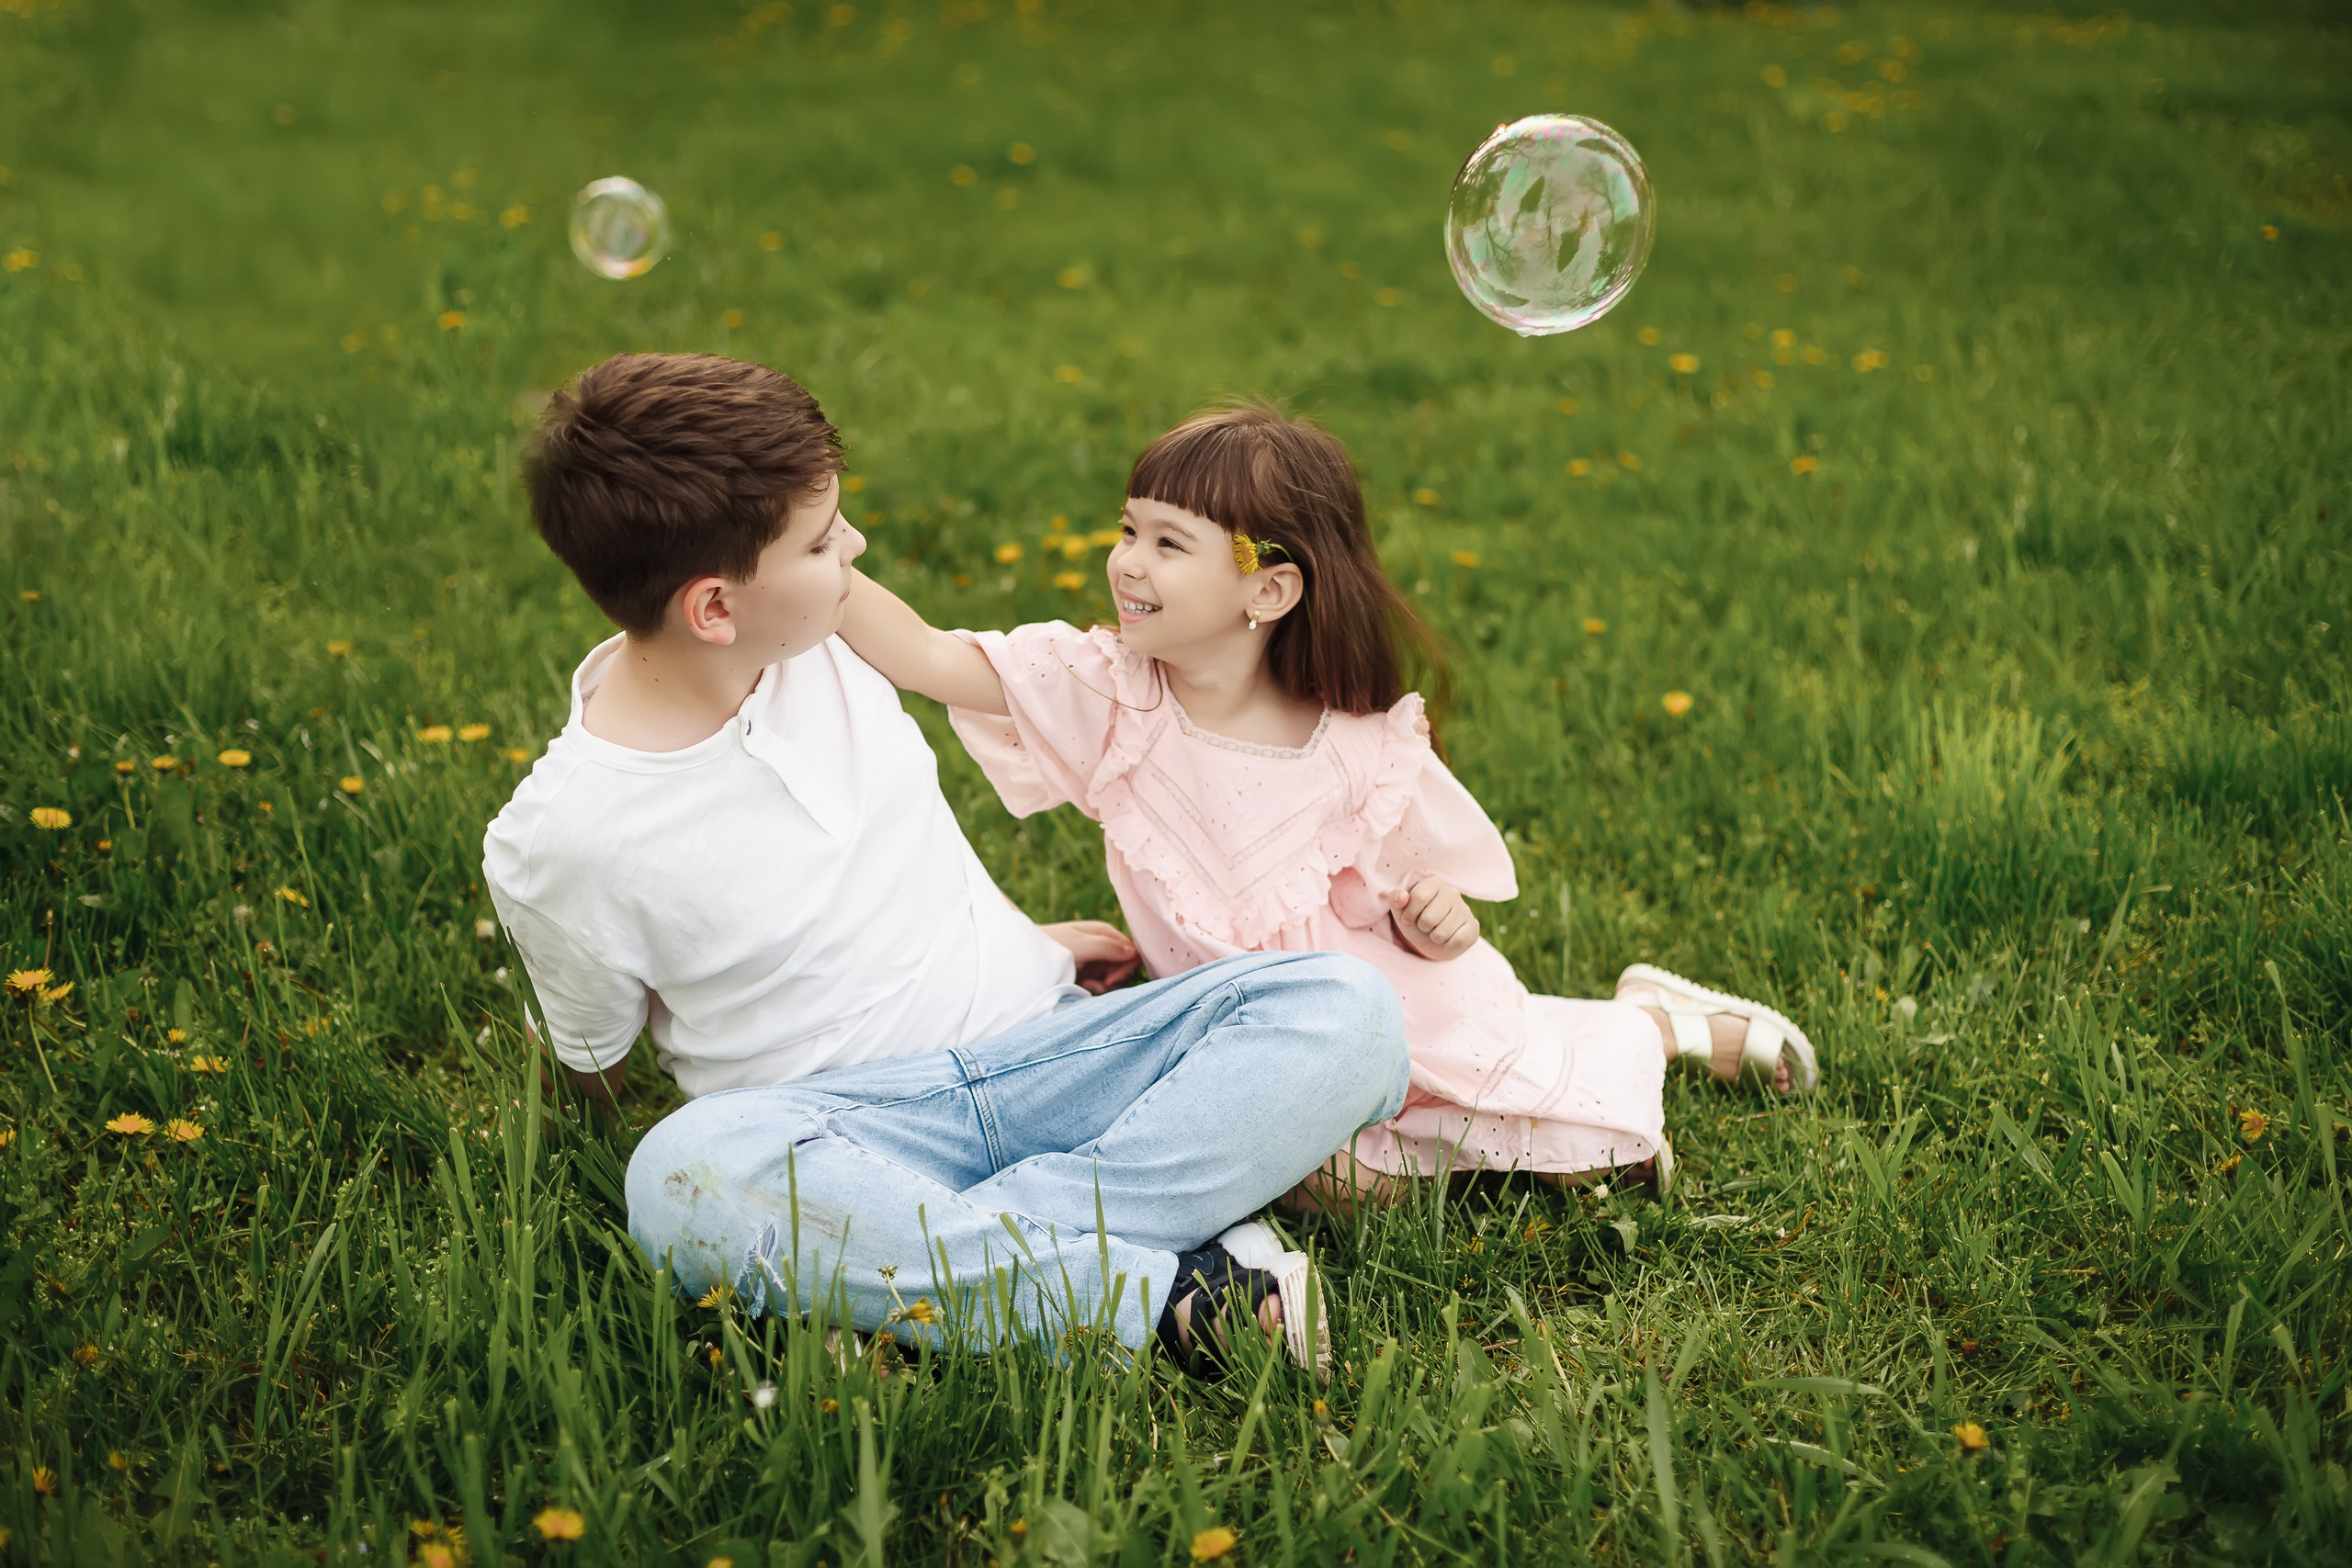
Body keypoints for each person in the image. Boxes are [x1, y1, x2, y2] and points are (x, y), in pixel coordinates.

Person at [484, 355, 1411, 1380]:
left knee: (1346, 1008)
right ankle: (1163, 1287)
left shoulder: (816, 642)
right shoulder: (567, 841)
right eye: (824, 539)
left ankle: (936, 1279)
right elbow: (588, 1069)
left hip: (1049, 1046)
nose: (856, 548)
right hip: (850, 1130)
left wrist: (1022, 946)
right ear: (714, 608)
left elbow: (872, 872)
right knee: (680, 1174)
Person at [838, 402, 1817, 1213]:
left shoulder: (1352, 750)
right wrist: (812, 560)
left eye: (1168, 543)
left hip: (1392, 1017)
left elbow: (1422, 910)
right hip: (1231, 1030)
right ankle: (1582, 1063)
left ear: (1267, 589)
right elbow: (927, 656)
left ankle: (1646, 1024)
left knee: (1559, 1155)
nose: (1127, 563)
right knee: (1317, 1176)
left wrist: (1437, 922)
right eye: (1127, 530)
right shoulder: (1108, 692)